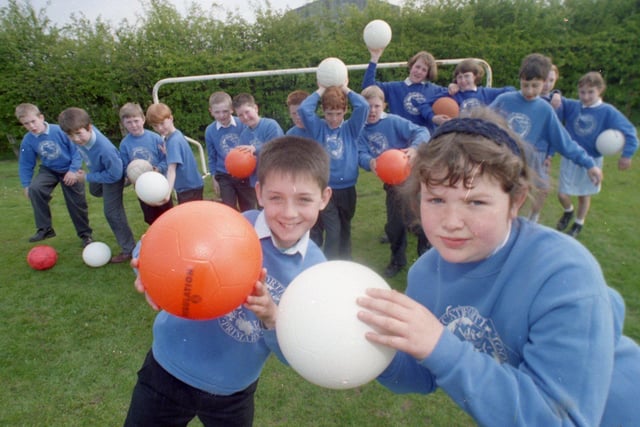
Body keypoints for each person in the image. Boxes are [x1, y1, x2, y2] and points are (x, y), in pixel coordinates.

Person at [356, 109, 640, 427]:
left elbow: (558, 420)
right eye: (435, 200)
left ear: (515, 201)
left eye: (475, 202)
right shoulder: (425, 274)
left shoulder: (564, 274)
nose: (451, 223)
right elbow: (423, 375)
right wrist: (373, 353)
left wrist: (440, 344)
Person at [123, 136, 332, 427]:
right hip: (167, 371)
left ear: (324, 198)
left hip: (233, 390)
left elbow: (297, 354)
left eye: (304, 199)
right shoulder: (223, 224)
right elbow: (157, 245)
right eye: (276, 198)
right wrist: (145, 272)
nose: (288, 213)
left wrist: (273, 318)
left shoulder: (315, 273)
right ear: (259, 193)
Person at [490, 53, 602, 223]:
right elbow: (479, 121)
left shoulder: (545, 109)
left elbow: (565, 143)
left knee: (511, 212)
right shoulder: (504, 100)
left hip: (521, 171)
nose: (529, 91)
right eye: (525, 85)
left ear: (544, 83)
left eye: (535, 86)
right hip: (498, 165)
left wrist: (589, 164)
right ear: (520, 79)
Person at [357, 85, 431, 278]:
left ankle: (426, 256)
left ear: (384, 106)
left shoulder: (394, 121)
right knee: (395, 224)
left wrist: (414, 149)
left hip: (412, 178)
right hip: (391, 182)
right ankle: (397, 260)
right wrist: (369, 161)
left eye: (376, 106)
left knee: (420, 220)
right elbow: (360, 152)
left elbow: (422, 132)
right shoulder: (360, 129)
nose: (372, 111)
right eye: (367, 107)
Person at [555, 71, 638, 237]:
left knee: (584, 195)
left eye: (590, 92)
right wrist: (556, 95)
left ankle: (579, 223)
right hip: (571, 158)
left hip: (592, 161)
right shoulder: (573, 106)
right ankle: (568, 211)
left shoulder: (607, 111)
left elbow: (630, 131)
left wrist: (627, 155)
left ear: (600, 90)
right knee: (562, 194)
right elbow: (555, 103)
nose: (585, 96)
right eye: (582, 92)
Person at [298, 81, 369, 260]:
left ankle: (346, 261)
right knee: (333, 229)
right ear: (323, 111)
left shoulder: (351, 128)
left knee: (345, 227)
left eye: (338, 113)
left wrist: (345, 88)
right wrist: (321, 89)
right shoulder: (319, 128)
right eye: (329, 113)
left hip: (348, 188)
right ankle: (328, 263)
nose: (334, 118)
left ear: (345, 111)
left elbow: (363, 105)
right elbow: (304, 110)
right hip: (327, 188)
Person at [58, 107, 135, 263]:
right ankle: (119, 183)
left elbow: (115, 174)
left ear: (89, 128)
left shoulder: (105, 149)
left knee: (112, 213)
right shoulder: (78, 135)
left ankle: (129, 250)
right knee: (94, 190)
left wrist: (87, 177)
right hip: (100, 173)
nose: (76, 139)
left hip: (113, 177)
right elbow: (74, 148)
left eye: (79, 134)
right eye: (70, 135)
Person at [16, 103, 93, 246]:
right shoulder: (28, 140)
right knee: (35, 189)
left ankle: (85, 235)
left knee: (77, 204)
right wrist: (26, 185)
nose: (32, 126)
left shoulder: (59, 131)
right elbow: (25, 164)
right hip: (49, 170)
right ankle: (45, 229)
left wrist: (73, 170)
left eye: (33, 121)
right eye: (26, 124)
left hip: (70, 169)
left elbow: (77, 150)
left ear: (41, 117)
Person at [362, 46, 448, 132]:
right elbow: (368, 86)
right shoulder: (393, 88)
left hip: (426, 140)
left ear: (428, 74)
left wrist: (453, 86)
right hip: (400, 138)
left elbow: (457, 93)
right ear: (411, 66)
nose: (419, 72)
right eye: (417, 67)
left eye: (424, 70)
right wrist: (374, 58)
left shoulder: (435, 90)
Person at [118, 102, 173, 225]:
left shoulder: (156, 138)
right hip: (142, 188)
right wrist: (132, 176)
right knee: (151, 219)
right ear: (123, 124)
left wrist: (158, 169)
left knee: (167, 215)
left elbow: (166, 159)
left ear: (143, 119)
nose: (133, 125)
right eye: (129, 122)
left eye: (136, 121)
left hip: (160, 184)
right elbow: (126, 167)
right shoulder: (124, 144)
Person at [204, 91, 255, 211]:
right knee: (228, 209)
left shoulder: (242, 124)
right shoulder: (210, 131)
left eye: (225, 111)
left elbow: (251, 146)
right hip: (224, 175)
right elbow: (212, 156)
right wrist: (214, 177)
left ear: (232, 109)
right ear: (211, 111)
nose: (222, 115)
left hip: (244, 173)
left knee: (248, 207)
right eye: (217, 112)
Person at [145, 103, 204, 204]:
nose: (159, 128)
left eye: (162, 123)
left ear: (171, 118)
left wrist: (167, 193)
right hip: (193, 185)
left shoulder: (173, 141)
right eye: (155, 126)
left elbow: (171, 170)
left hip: (188, 189)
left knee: (190, 218)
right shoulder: (175, 135)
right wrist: (167, 153)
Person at [445, 58, 515, 112]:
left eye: (467, 76)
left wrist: (491, 108)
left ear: (475, 76)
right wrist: (450, 88)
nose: (463, 80)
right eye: (459, 77)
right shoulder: (454, 94)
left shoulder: (486, 93)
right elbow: (436, 98)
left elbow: (511, 90)